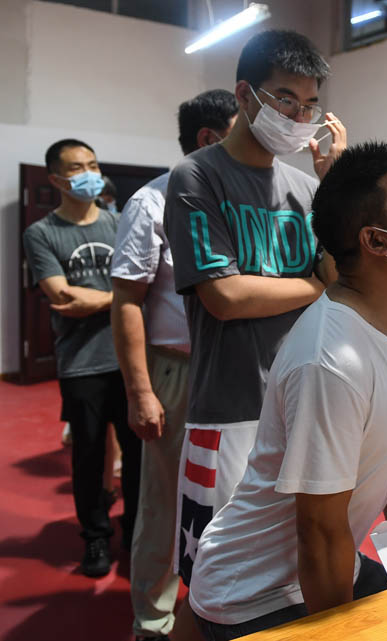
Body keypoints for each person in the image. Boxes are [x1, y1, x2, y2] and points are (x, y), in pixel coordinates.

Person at [188, 141, 387, 639]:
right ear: (377, 241)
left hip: (330, 565)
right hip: (254, 594)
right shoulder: (331, 359)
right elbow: (319, 535)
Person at [164, 28, 345, 591]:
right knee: (211, 576)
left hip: (301, 404)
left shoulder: (307, 188)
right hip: (230, 406)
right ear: (245, 95)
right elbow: (225, 297)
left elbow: (341, 277)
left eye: (311, 103)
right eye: (285, 98)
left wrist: (334, 185)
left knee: (284, 572)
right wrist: (312, 287)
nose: (298, 114)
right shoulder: (197, 175)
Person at [111, 88, 238, 641]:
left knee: (234, 496)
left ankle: (218, 609)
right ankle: (153, 621)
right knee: (164, 504)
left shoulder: (239, 201)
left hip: (235, 368)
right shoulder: (152, 203)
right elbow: (127, 303)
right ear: (209, 140)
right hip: (176, 371)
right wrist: (141, 391)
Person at [22, 139, 142, 577]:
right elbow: (60, 293)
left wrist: (102, 300)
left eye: (92, 164)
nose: (89, 173)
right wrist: (125, 298)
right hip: (81, 363)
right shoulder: (42, 233)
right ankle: (95, 539)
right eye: (76, 168)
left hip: (131, 360)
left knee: (139, 454)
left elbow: (148, 286)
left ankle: (135, 531)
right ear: (56, 179)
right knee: (89, 458)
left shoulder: (120, 223)